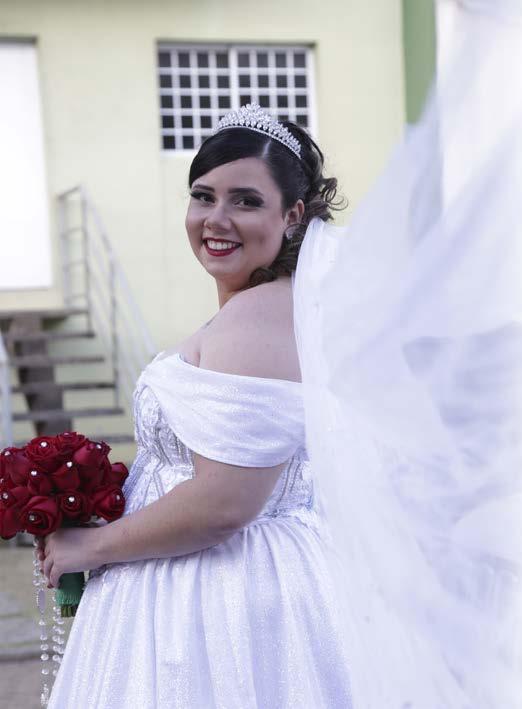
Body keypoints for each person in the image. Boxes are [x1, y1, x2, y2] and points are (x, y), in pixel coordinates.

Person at [39, 104, 355, 708]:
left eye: (245, 201)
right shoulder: (268, 307)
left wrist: (94, 547)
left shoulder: (258, 316)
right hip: (198, 574)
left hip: (222, 596)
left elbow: (225, 503)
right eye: (203, 196)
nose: (217, 219)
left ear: (293, 215)